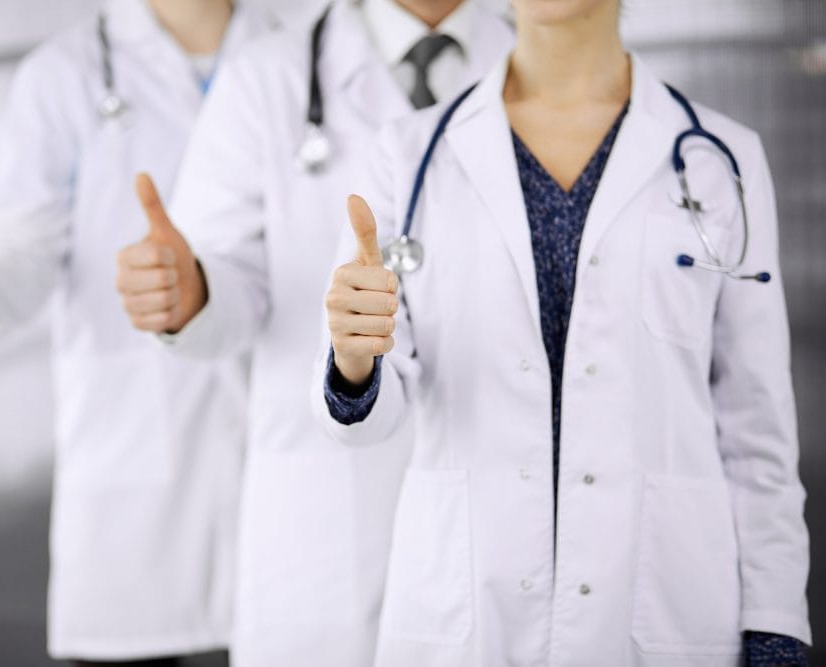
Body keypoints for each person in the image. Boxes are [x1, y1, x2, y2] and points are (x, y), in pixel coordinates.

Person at [318, 0, 811, 665]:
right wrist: (353, 360)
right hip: (468, 614)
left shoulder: (724, 161)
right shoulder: (408, 156)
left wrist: (774, 628)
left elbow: (758, 433)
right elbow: (374, 414)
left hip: (662, 612)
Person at [112, 1, 513, 664]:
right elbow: (228, 276)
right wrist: (195, 290)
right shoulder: (267, 78)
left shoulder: (535, 67)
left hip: (498, 508)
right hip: (327, 521)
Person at [0, 1, 272, 664]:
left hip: (285, 466)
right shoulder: (63, 74)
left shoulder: (297, 51)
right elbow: (21, 244)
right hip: (133, 475)